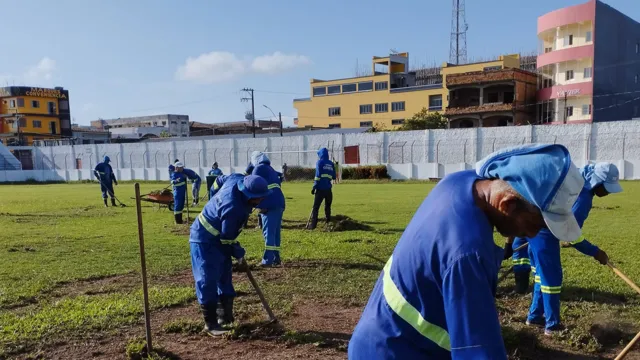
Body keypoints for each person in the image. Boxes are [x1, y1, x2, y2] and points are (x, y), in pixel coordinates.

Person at [348, 144, 585, 360]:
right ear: (507, 205)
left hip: (378, 338)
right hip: (396, 351)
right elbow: (478, 354)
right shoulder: (467, 253)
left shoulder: (458, 182)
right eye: (536, 225)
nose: (533, 234)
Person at [511, 162, 621, 336]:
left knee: (542, 276)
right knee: (552, 280)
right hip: (544, 230)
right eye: (606, 188)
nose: (607, 193)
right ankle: (552, 326)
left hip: (533, 225)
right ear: (597, 182)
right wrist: (595, 252)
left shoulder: (577, 181)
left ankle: (534, 317)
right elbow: (570, 234)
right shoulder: (582, 197)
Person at [190, 174, 271, 336]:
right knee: (208, 278)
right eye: (257, 199)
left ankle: (225, 317)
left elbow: (219, 180)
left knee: (225, 275)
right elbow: (227, 238)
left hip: (221, 238)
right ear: (247, 195)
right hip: (204, 239)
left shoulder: (236, 178)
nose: (260, 201)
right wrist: (238, 252)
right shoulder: (232, 207)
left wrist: (213, 198)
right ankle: (211, 324)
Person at [251, 151, 286, 266]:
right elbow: (280, 178)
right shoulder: (270, 168)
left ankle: (267, 260)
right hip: (279, 201)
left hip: (269, 203)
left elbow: (254, 186)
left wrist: (260, 206)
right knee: (275, 232)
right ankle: (276, 258)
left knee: (268, 233)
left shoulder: (258, 169)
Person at [309, 148, 336, 229]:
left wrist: (314, 187)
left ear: (320, 155)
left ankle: (313, 224)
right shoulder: (331, 163)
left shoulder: (319, 162)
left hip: (320, 189)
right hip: (328, 189)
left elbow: (317, 176)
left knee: (316, 207)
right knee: (328, 206)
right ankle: (328, 221)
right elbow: (334, 176)